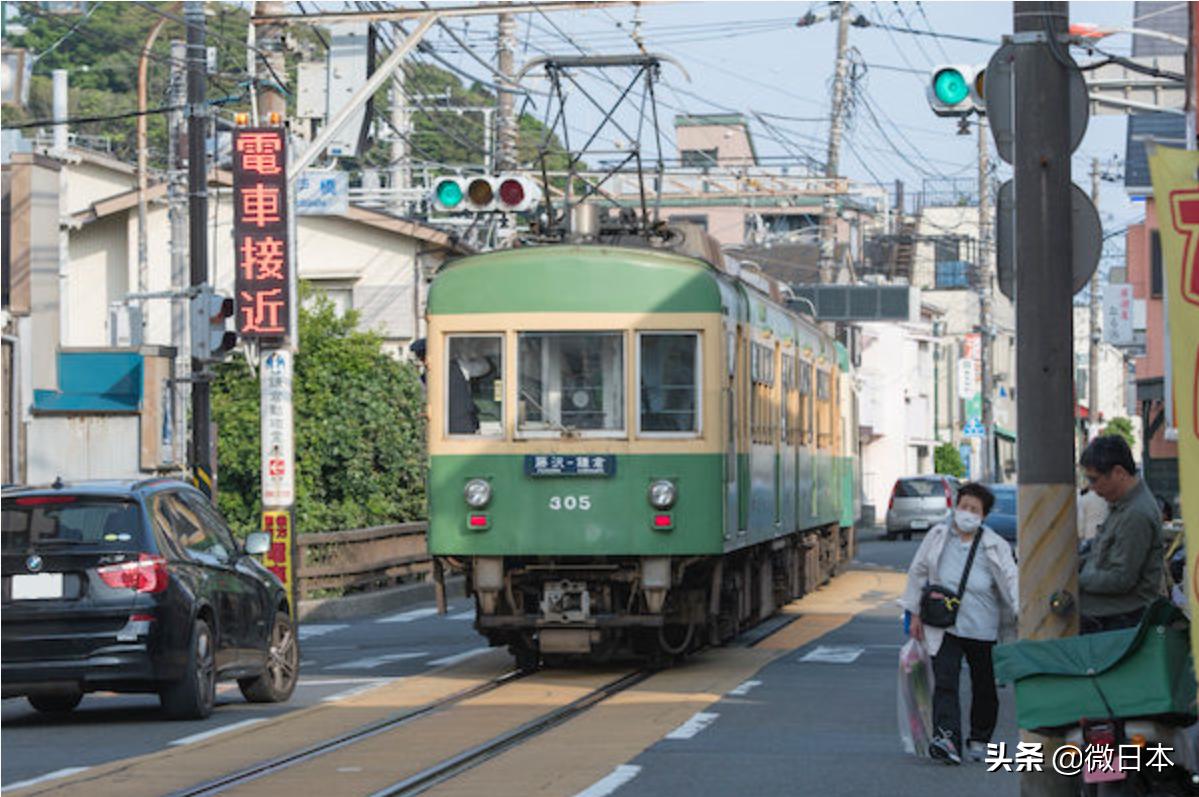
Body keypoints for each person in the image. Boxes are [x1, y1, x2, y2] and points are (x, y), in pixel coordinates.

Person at [901, 482, 1019, 766]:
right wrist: (914, 613)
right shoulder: (938, 536)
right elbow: (918, 572)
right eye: (964, 506)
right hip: (944, 623)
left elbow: (1011, 578)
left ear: (984, 516)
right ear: (955, 507)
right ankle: (948, 739)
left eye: (974, 509)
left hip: (983, 626)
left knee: (984, 686)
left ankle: (980, 738)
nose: (967, 513)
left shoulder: (995, 545)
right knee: (945, 682)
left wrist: (1020, 611)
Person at [1078, 435, 1165, 634]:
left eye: (1094, 479)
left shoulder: (1136, 513)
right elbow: (1102, 555)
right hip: (1110, 617)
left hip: (1120, 621)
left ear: (1118, 472)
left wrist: (1076, 579)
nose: (1092, 487)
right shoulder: (1122, 505)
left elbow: (1121, 578)